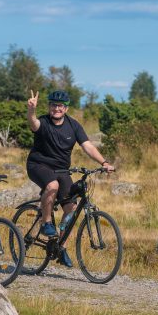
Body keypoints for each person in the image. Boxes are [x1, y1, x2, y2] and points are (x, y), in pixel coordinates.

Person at [26, 89, 114, 267]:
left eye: (60, 106)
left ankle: (61, 247)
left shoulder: (74, 126)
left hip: (62, 170)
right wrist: (31, 110)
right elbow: (33, 123)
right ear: (49, 106)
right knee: (52, 186)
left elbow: (87, 146)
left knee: (71, 208)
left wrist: (104, 162)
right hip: (38, 165)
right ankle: (46, 223)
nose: (56, 108)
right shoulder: (43, 121)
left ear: (66, 108)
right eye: (53, 105)